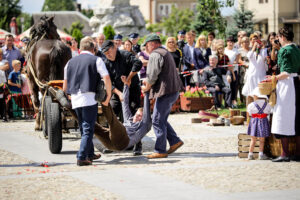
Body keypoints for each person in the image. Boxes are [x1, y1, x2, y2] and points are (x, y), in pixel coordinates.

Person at [63, 36, 112, 166]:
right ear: (93, 49)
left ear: (80, 48)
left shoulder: (70, 62)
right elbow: (106, 78)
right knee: (88, 129)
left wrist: (70, 96)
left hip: (75, 99)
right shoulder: (96, 60)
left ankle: (90, 154)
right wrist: (108, 95)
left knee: (83, 127)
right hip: (89, 98)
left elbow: (65, 86)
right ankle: (81, 156)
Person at [142, 33, 184, 159]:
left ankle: (160, 150)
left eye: (146, 46)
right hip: (172, 90)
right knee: (161, 119)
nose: (146, 49)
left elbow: (152, 75)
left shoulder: (155, 54)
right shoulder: (164, 52)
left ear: (152, 44)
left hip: (166, 91)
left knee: (157, 120)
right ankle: (175, 141)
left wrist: (146, 87)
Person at [101, 40, 143, 156]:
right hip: (117, 91)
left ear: (114, 48)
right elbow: (107, 81)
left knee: (135, 115)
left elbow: (138, 64)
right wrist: (119, 93)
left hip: (133, 88)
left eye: (109, 52)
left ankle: (137, 144)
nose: (108, 55)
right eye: (105, 53)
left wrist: (129, 78)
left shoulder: (125, 54)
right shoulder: (105, 62)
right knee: (112, 112)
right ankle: (111, 143)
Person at [267, 27, 300, 162]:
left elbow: (285, 72)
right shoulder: (297, 49)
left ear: (283, 37)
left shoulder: (285, 50)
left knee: (282, 117)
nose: (278, 40)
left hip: (287, 86)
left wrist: (272, 78)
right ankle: (297, 152)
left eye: (279, 38)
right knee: (296, 118)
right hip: (296, 84)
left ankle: (284, 153)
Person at [94, 76, 152, 152]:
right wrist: (126, 85)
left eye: (140, 117)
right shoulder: (129, 119)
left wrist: (146, 92)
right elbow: (125, 103)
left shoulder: (144, 125)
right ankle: (74, 110)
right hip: (110, 143)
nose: (137, 117)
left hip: (123, 142)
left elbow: (147, 113)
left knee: (114, 122)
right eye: (137, 115)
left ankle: (105, 101)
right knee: (94, 127)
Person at [247, 88, 272, 160]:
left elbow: (249, 114)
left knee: (253, 139)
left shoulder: (251, 105)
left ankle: (250, 154)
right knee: (262, 140)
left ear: (255, 96)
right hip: (263, 121)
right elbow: (268, 112)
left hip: (254, 121)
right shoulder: (267, 105)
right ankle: (260, 154)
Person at [242, 38, 267, 106]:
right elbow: (249, 56)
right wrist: (254, 47)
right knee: (250, 95)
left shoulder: (264, 52)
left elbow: (265, 60)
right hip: (252, 76)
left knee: (260, 94)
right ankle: (250, 111)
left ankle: (260, 110)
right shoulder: (253, 52)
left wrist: (262, 48)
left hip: (260, 76)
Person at [225, 36, 240, 107]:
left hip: (234, 70)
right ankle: (227, 102)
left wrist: (232, 67)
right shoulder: (225, 50)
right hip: (226, 71)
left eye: (232, 42)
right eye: (229, 42)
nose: (230, 43)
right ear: (227, 42)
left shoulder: (236, 50)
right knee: (228, 86)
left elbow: (236, 60)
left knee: (234, 86)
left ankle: (234, 100)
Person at [238, 36, 250, 104]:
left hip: (251, 68)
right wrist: (244, 63)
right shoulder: (240, 50)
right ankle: (243, 100)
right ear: (242, 43)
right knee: (243, 83)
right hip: (243, 69)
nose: (245, 43)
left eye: (247, 41)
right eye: (244, 42)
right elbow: (239, 60)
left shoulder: (251, 49)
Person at [0, 49, 9, 121]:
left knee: (3, 100)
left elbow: (6, 67)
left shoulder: (4, 61)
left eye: (1, 54)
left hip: (2, 84)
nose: (0, 56)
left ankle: (4, 115)